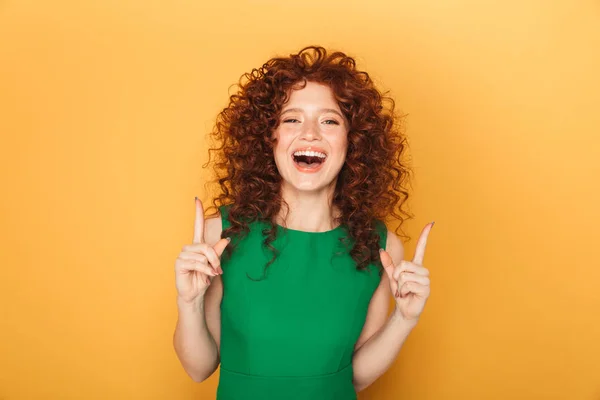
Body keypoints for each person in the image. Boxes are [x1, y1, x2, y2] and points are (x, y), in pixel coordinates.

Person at [173, 45, 433, 400]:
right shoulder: (222, 233)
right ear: (270, 137)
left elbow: (354, 377)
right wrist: (188, 302)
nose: (309, 133)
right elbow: (198, 368)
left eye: (329, 120)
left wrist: (405, 319)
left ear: (352, 142)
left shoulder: (381, 246)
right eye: (291, 119)